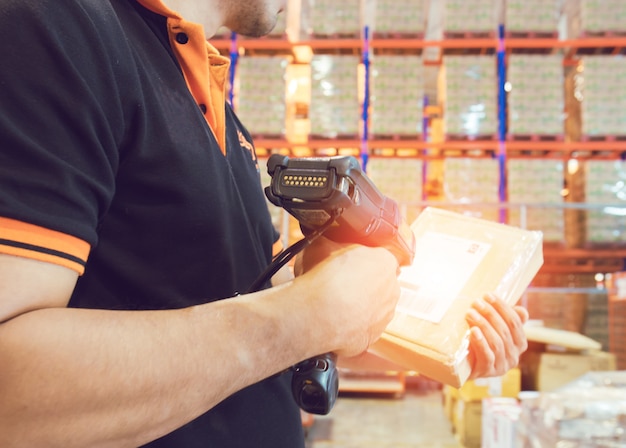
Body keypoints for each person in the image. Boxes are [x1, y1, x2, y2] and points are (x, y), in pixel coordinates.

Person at [0, 0, 529, 447]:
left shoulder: (199, 88)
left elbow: (215, 291)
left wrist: (431, 333)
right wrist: (303, 317)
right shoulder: (53, 28)